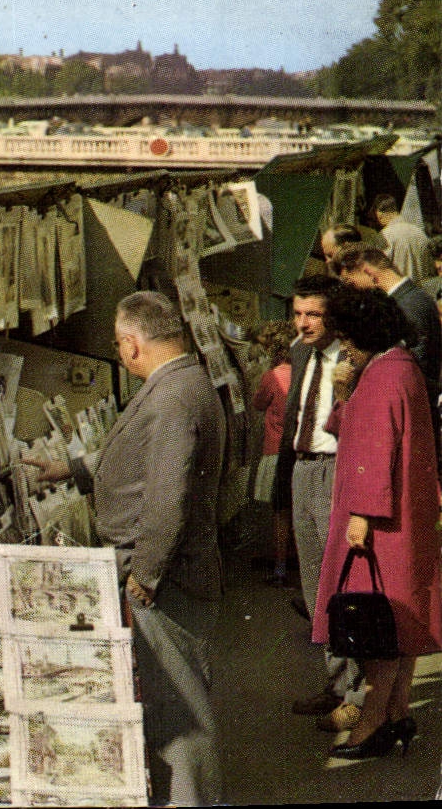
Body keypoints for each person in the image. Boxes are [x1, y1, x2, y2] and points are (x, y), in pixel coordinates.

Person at [25, 291, 225, 804]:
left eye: (118, 345)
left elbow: (166, 497)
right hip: (176, 571)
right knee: (172, 703)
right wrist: (72, 469)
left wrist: (146, 574)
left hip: (167, 579)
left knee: (177, 711)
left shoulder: (172, 397)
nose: (119, 354)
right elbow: (139, 460)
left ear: (133, 344)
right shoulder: (182, 382)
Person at [310, 286, 442, 759]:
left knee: (375, 630)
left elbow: (372, 447)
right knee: (400, 625)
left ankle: (370, 727)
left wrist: (361, 515)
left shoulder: (383, 375)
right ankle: (399, 714)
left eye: (346, 333)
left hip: (376, 521)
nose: (343, 344)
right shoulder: (402, 368)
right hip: (406, 519)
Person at [278, 275, 367, 732]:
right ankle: (335, 683)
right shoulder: (300, 351)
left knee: (343, 585)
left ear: (334, 315)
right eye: (297, 313)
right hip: (303, 467)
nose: (303, 323)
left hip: (336, 470)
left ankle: (357, 692)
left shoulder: (353, 357)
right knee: (315, 586)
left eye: (313, 314)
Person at [334, 245, 442, 400]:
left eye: (351, 284)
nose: (354, 292)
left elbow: (413, 371)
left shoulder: (407, 306)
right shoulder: (411, 299)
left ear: (368, 273)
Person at [251, 320, 298, 587]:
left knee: (279, 512)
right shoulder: (301, 372)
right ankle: (297, 558)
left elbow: (258, 403)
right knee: (296, 509)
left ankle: (280, 567)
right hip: (297, 450)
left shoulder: (271, 376)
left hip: (275, 449)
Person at [374, 195, 429, 284]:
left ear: (379, 213)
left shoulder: (384, 236)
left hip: (399, 292)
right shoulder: (419, 232)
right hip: (422, 293)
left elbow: (378, 268)